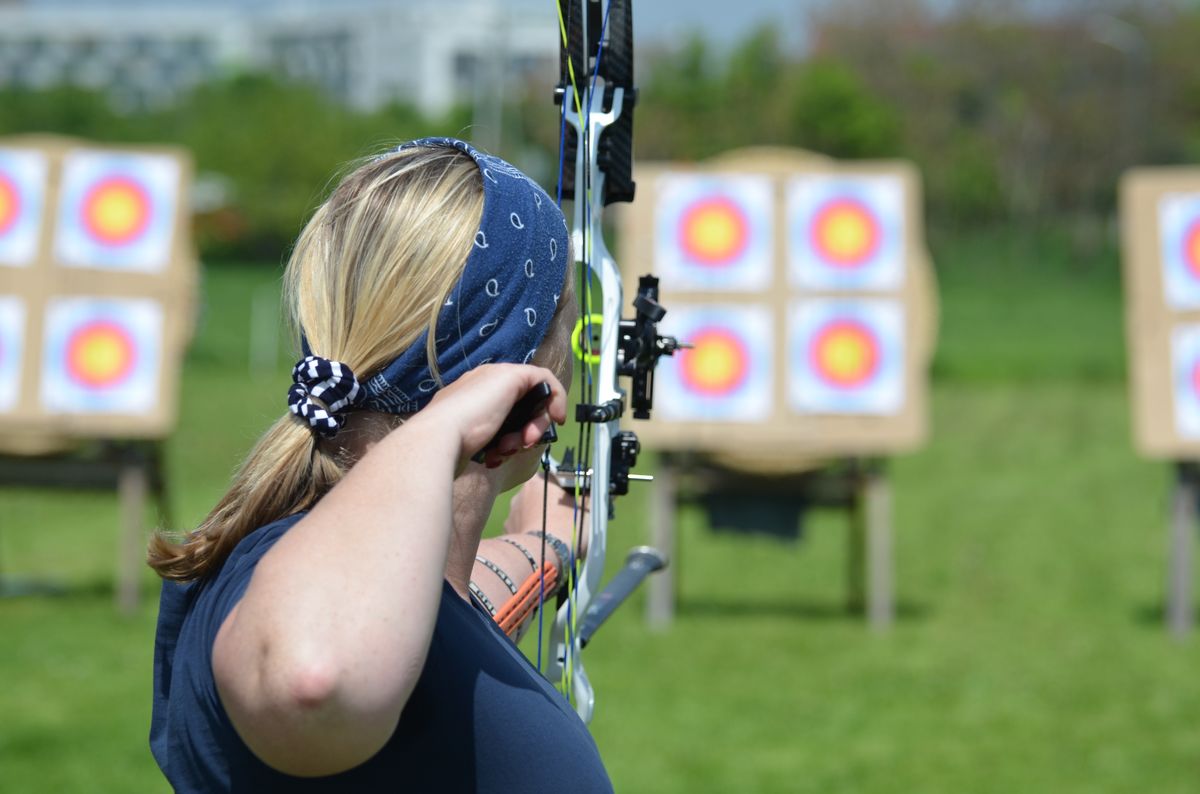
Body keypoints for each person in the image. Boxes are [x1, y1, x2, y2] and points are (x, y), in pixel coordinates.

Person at [147, 138, 612, 792]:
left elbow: (449, 596)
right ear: (517, 373)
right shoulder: (294, 587)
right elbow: (315, 682)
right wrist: (442, 428)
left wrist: (546, 544)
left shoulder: (366, 578)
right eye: (565, 316)